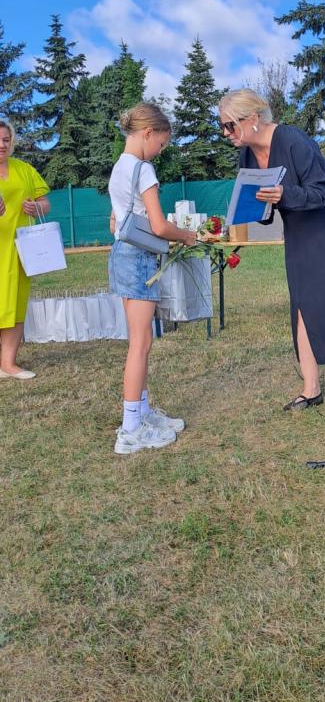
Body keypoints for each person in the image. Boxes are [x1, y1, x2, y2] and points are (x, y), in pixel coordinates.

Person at [218, 90, 325, 419]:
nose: (226, 133)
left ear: (253, 119)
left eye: (230, 125)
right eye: (222, 126)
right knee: (302, 303)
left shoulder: (293, 140)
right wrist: (247, 210)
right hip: (299, 229)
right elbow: (264, 206)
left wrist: (282, 194)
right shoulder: (247, 155)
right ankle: (311, 389)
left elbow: (320, 192)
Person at [108, 102, 197, 455]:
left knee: (138, 340)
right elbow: (159, 226)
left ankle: (141, 413)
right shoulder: (143, 169)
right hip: (140, 259)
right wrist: (186, 235)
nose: (161, 150)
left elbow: (114, 222)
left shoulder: (119, 167)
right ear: (148, 133)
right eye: (161, 143)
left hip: (122, 254)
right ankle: (131, 429)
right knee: (141, 344)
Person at [0, 119, 51, 380]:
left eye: (6, 140)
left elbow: (45, 203)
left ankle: (8, 364)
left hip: (20, 248)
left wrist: (36, 207)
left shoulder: (24, 169)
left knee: (16, 304)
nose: (2, 144)